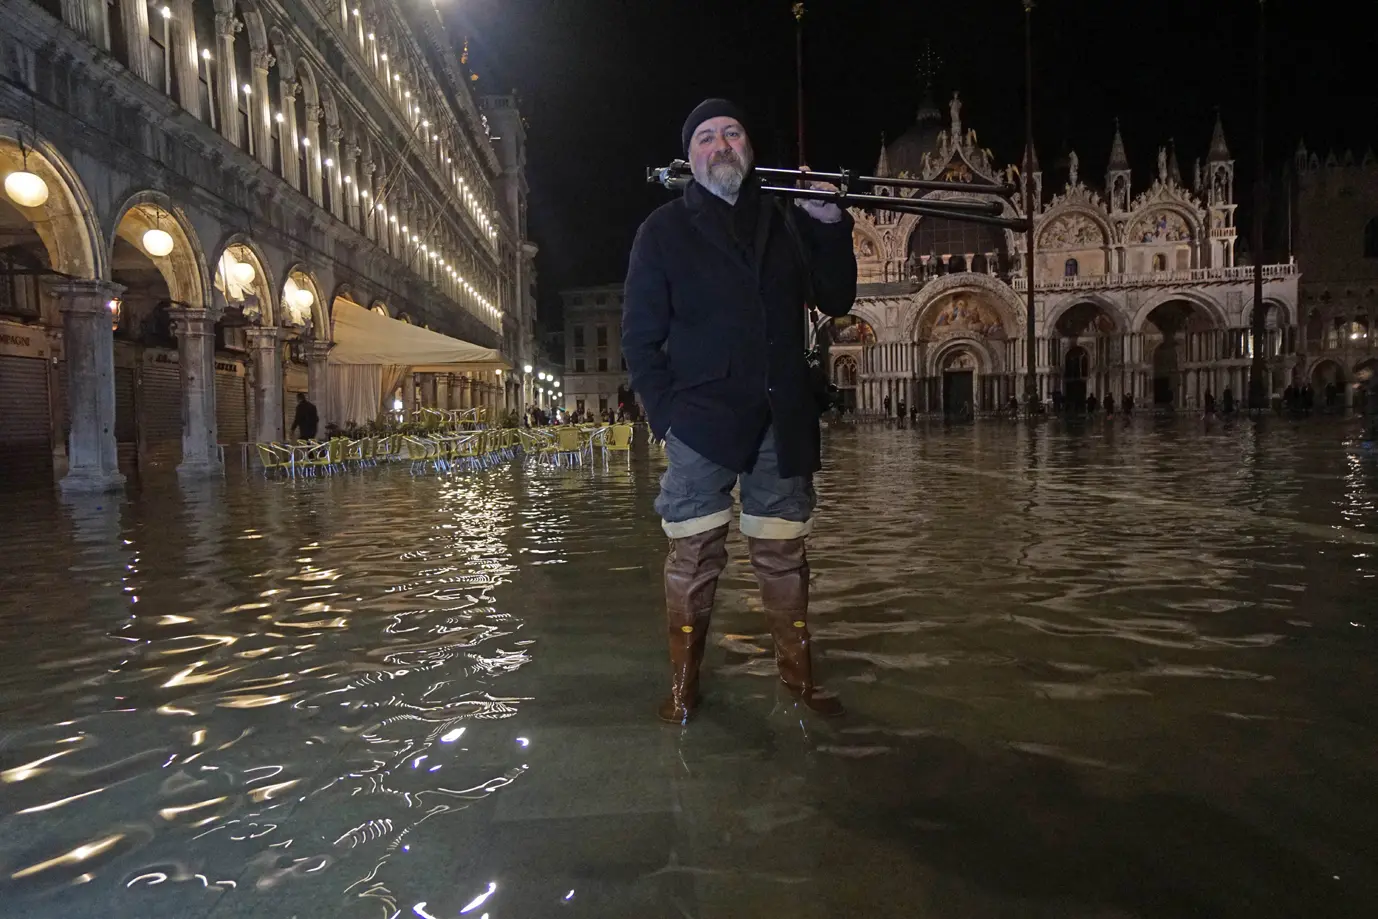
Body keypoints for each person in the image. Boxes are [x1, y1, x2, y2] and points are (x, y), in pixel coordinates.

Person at [623, 98, 857, 723]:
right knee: (694, 552)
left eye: (732, 133)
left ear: (748, 149)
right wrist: (665, 417)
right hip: (699, 420)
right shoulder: (662, 231)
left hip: (782, 415)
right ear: (690, 156)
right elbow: (640, 340)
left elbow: (837, 296)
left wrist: (829, 220)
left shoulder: (788, 219)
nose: (721, 144)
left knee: (783, 550)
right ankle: (683, 686)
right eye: (706, 136)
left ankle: (798, 677)